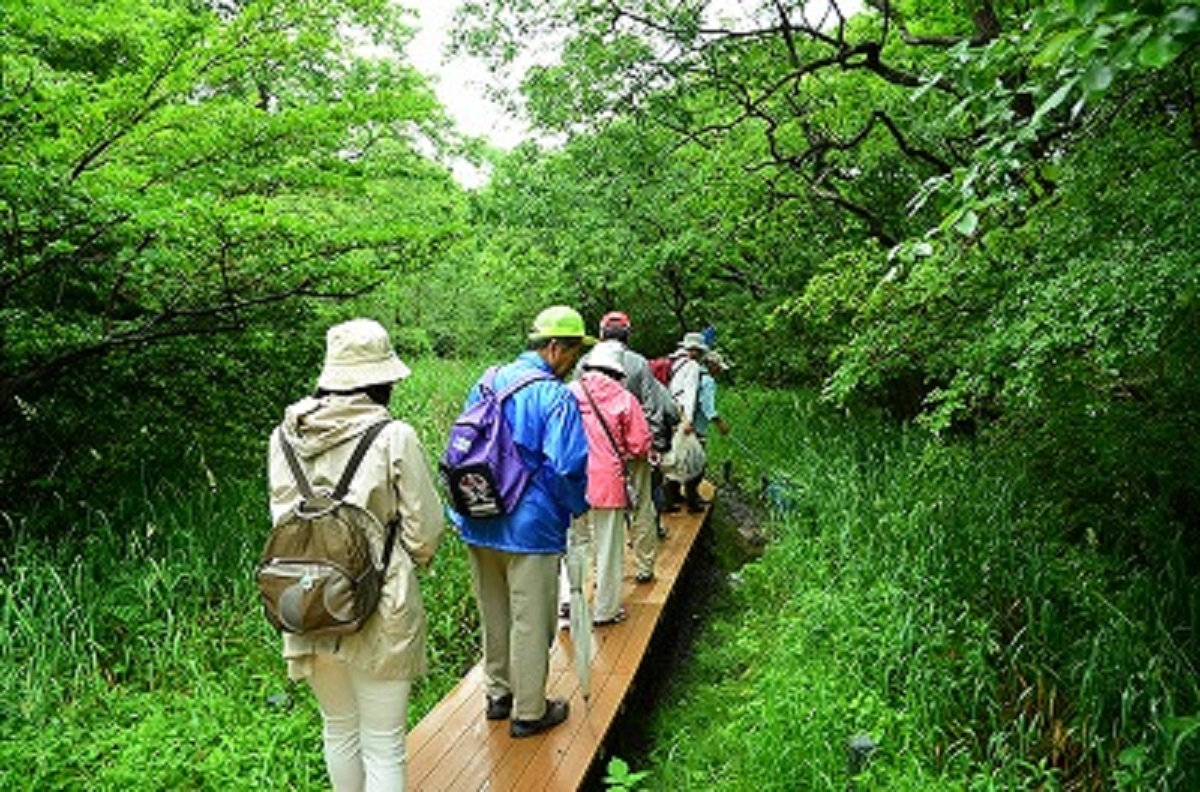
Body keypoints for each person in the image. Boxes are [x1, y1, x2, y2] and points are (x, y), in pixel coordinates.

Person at [267, 318, 445, 792]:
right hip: (382, 602)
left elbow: (283, 518)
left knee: (339, 729)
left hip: (306, 599)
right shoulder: (393, 436)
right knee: (384, 742)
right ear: (379, 378)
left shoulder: (283, 437)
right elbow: (425, 532)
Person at [450, 305, 592, 738]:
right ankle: (529, 712)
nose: (573, 363)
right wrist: (573, 509)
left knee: (494, 612)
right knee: (532, 620)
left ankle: (498, 695)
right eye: (572, 353)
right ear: (553, 348)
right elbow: (568, 464)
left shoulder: (487, 380)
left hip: (479, 515)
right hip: (531, 528)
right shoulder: (555, 395)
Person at [586, 311, 677, 582]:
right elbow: (652, 407)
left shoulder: (585, 363)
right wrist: (655, 445)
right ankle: (644, 567)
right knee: (642, 506)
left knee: (598, 512)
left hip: (598, 451)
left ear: (601, 334)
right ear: (628, 335)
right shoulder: (639, 363)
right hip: (636, 449)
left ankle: (599, 572)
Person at [568, 340, 652, 624]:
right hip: (607, 482)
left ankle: (570, 603)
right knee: (608, 547)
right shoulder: (625, 399)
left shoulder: (567, 392)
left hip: (569, 481)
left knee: (574, 544)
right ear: (617, 370)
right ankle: (605, 610)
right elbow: (640, 445)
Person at [664, 332, 709, 512]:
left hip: (666, 413)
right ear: (697, 350)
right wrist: (688, 420)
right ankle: (692, 501)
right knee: (689, 459)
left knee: (671, 456)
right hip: (681, 414)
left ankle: (670, 498)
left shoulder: (672, 362)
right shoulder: (691, 366)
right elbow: (689, 394)